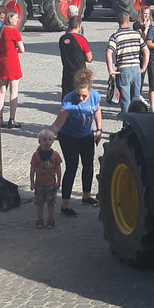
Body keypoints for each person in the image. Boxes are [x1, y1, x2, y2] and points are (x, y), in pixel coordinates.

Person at [50, 69, 102, 217]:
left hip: (86, 135)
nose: (80, 98)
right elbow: (58, 124)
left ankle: (86, 196)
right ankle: (65, 204)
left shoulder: (95, 96)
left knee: (88, 164)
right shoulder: (68, 100)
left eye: (84, 96)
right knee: (72, 167)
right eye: (78, 95)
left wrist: (99, 129)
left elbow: (98, 110)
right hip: (68, 137)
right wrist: (48, 135)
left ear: (90, 91)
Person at [107, 12, 147, 112]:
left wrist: (111, 70)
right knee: (136, 99)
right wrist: (144, 67)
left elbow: (108, 53)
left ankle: (127, 124)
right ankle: (136, 124)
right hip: (136, 68)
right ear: (128, 21)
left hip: (123, 69)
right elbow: (146, 51)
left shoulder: (115, 36)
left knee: (125, 101)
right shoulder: (136, 35)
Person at [0, 9, 25, 128]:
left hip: (2, 61)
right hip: (13, 61)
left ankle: (0, 118)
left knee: (2, 91)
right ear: (10, 18)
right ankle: (12, 119)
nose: (17, 20)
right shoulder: (14, 32)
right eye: (15, 18)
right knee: (14, 91)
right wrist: (15, 50)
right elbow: (22, 49)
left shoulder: (0, 31)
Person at [30, 129, 63, 230]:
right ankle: (39, 219)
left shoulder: (55, 155)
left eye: (49, 139)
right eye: (44, 140)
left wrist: (58, 181)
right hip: (39, 184)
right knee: (39, 203)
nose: (47, 142)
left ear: (53, 141)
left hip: (51, 184)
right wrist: (32, 182)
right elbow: (32, 169)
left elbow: (58, 168)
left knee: (51, 203)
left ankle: (51, 219)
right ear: (39, 141)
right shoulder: (36, 155)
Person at [58, 15, 92, 96]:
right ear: (79, 25)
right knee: (78, 94)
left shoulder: (62, 39)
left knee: (66, 94)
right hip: (79, 72)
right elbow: (89, 58)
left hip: (67, 71)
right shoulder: (81, 39)